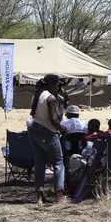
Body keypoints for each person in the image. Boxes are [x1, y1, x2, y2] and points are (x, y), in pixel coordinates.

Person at [29, 74, 66, 204]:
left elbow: (33, 113)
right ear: (52, 85)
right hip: (48, 131)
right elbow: (53, 119)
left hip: (34, 130)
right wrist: (62, 129)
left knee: (39, 163)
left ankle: (39, 195)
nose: (58, 87)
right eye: (57, 85)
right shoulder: (51, 98)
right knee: (58, 163)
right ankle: (59, 194)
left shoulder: (37, 95)